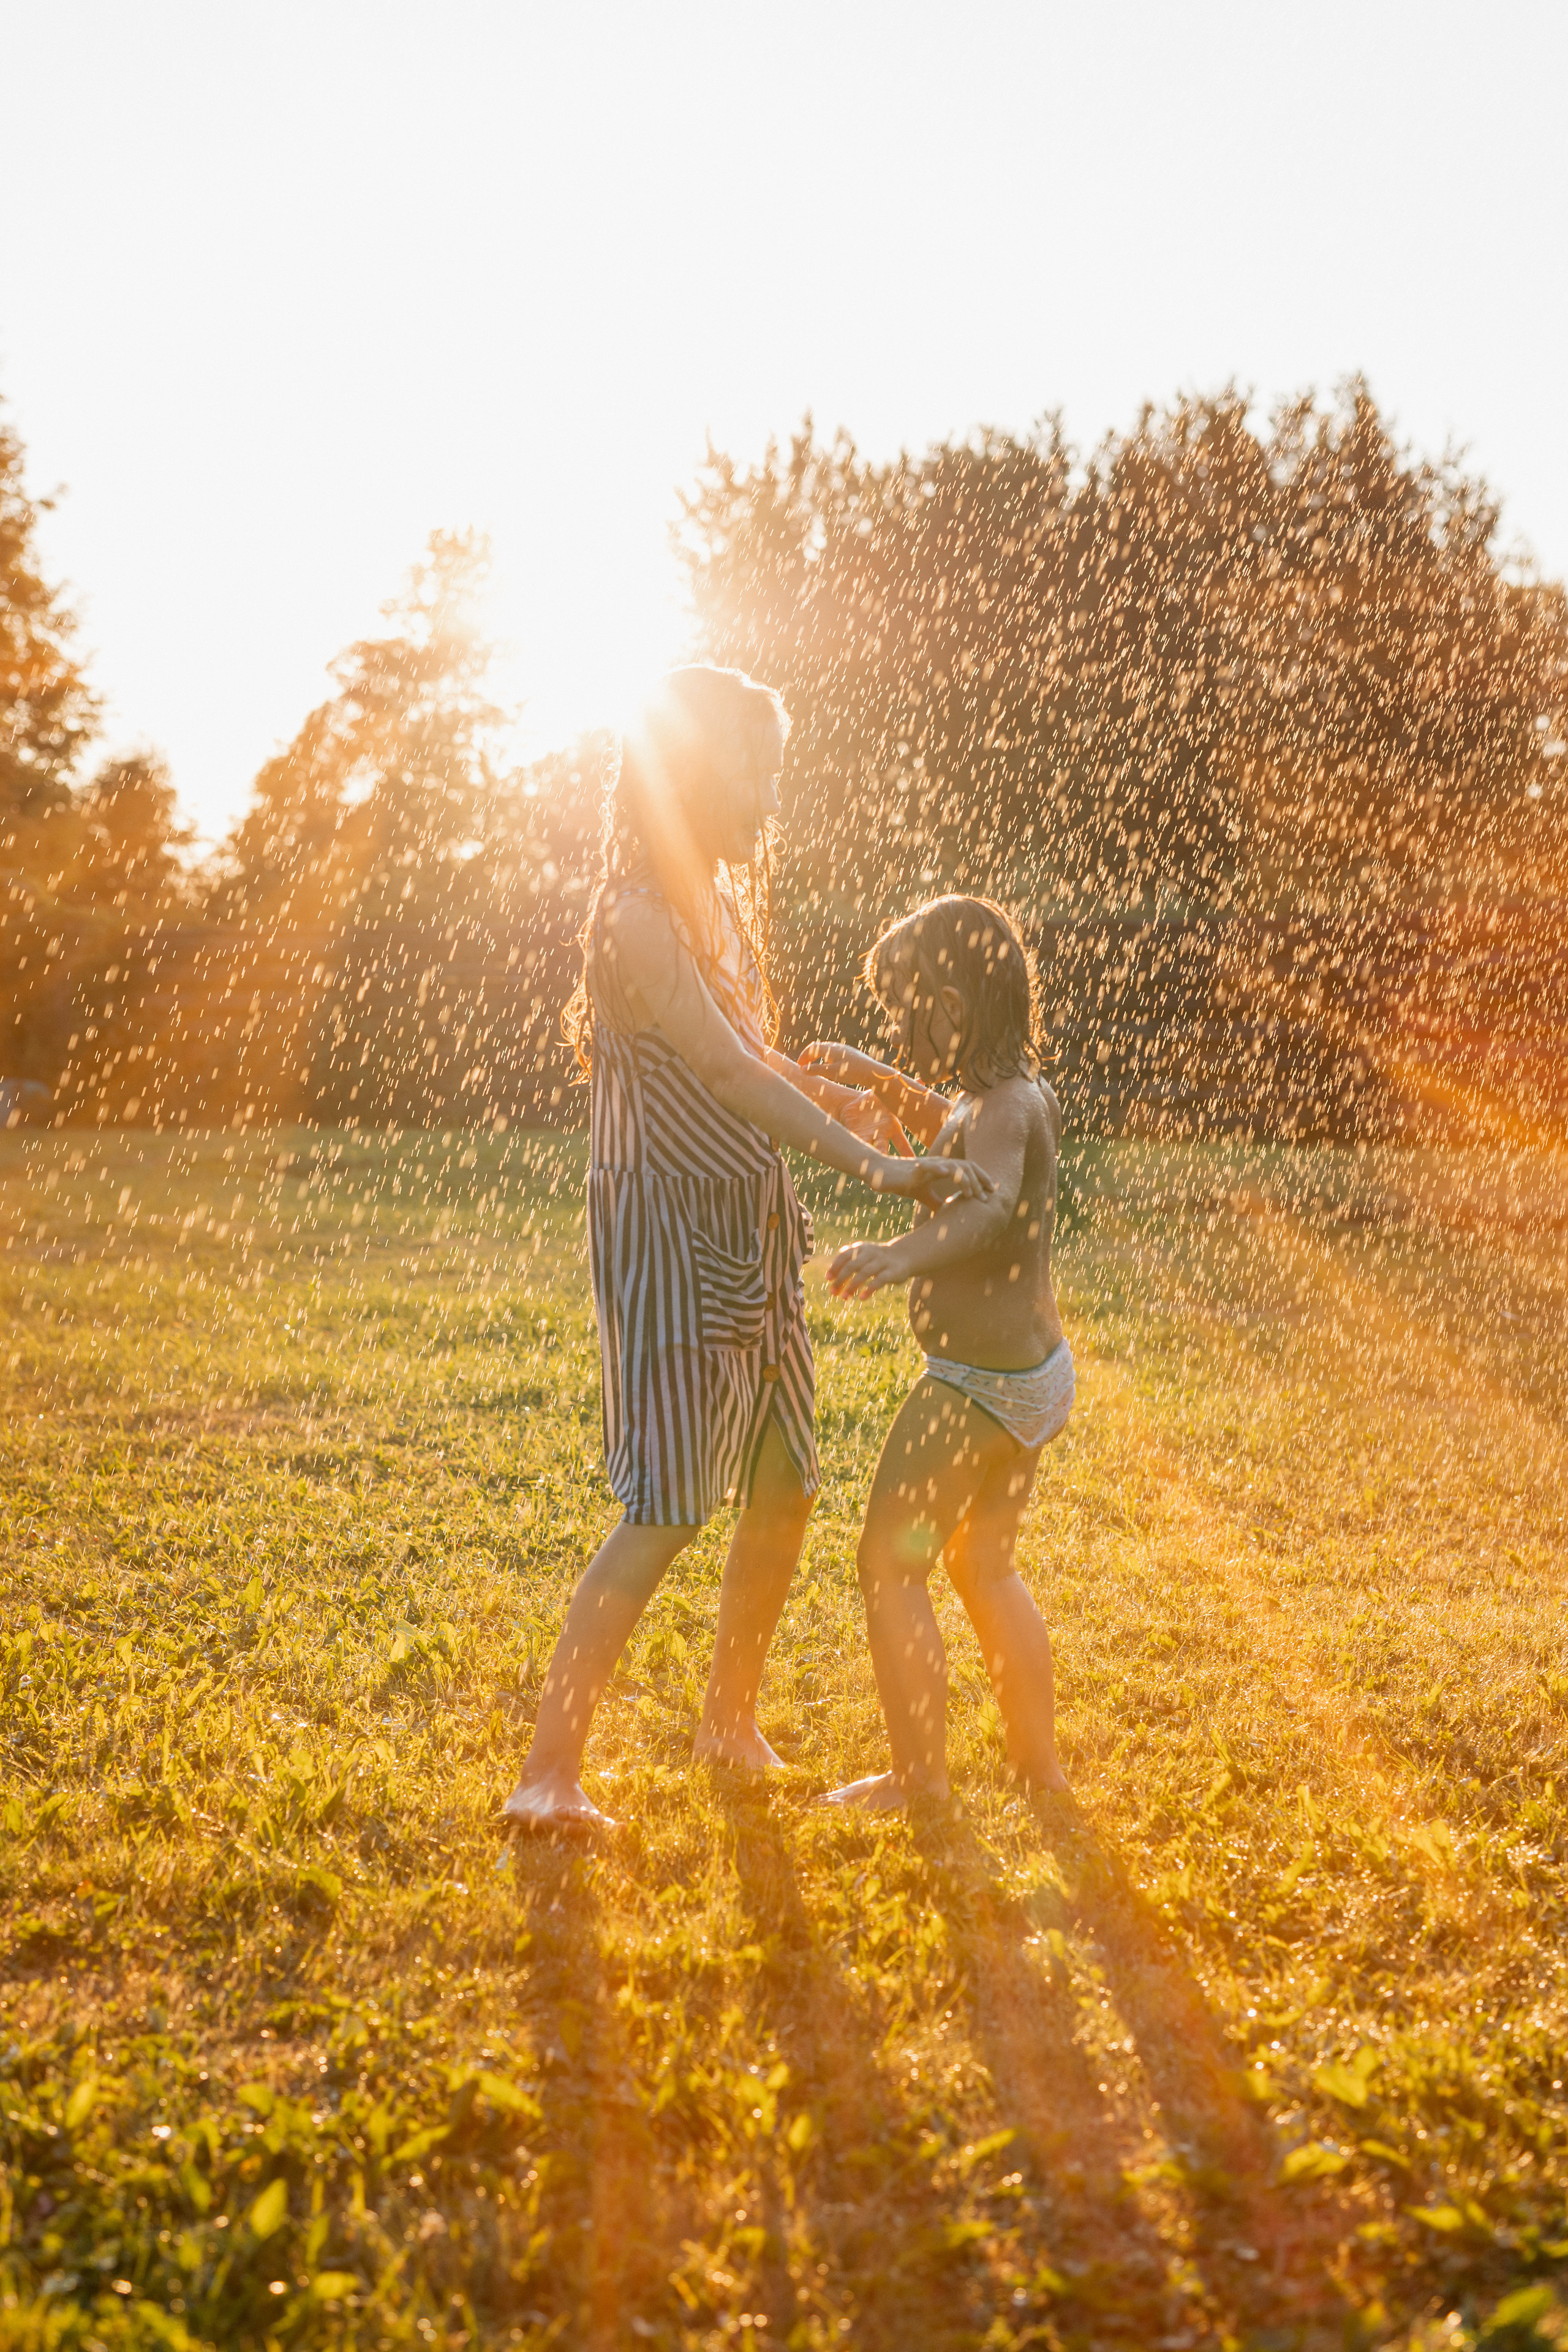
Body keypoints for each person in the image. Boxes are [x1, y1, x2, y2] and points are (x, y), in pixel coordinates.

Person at [502, 671, 992, 1834]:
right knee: (668, 1502)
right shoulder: (633, 918)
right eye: (756, 775)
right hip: (670, 1233)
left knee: (784, 1480)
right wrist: (874, 1169)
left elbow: (758, 1066)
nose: (771, 802)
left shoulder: (721, 903)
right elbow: (720, 1076)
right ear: (694, 774)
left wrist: (872, 1108)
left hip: (750, 1222)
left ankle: (728, 1719)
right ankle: (547, 1773)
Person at [802, 893, 1074, 1811]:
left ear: (953, 1006)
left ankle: (919, 1781)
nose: (897, 1019)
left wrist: (896, 1255)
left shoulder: (1002, 1110)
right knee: (983, 1565)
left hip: (974, 1388)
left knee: (890, 1564)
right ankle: (1040, 1770)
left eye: (903, 1004)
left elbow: (986, 1205)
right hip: (1029, 1383)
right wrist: (873, 1075)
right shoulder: (1003, 1099)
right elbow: (943, 1125)